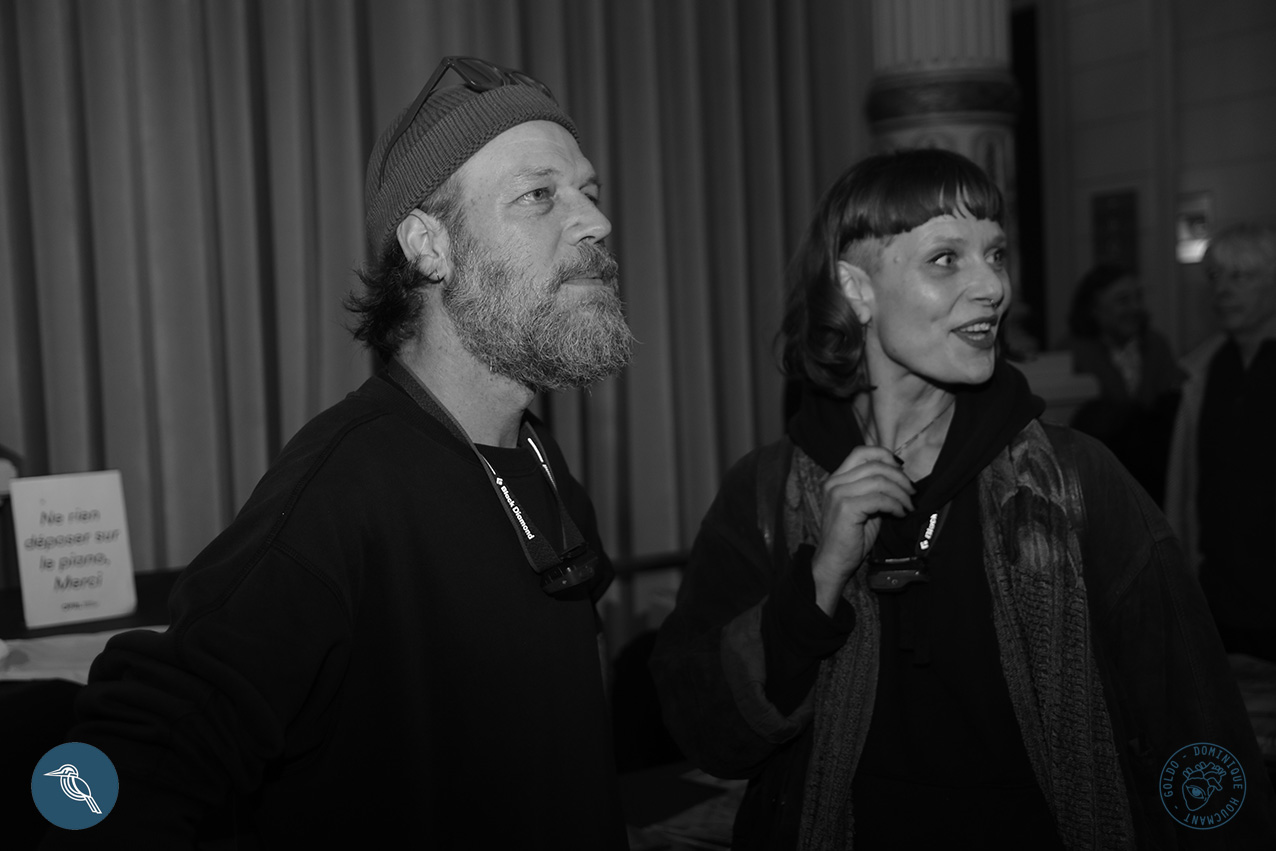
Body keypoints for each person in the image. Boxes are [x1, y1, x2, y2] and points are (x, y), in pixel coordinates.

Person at [41, 56, 632, 848]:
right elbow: (131, 755)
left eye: (589, 191)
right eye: (539, 195)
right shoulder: (340, 492)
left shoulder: (544, 465)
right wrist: (67, 810)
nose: (594, 221)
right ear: (429, 245)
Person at [649, 149, 1276, 849]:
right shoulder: (769, 493)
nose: (993, 287)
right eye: (946, 259)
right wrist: (818, 581)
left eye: (996, 254)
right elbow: (704, 729)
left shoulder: (1075, 480)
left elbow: (1195, 724)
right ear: (856, 289)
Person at [1166, 223, 1276, 664]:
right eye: (1215, 277)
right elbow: (1192, 490)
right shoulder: (1205, 370)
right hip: (1219, 597)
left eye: (1240, 276)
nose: (1223, 291)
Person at [1066, 264, 1184, 505]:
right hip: (1100, 487)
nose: (1135, 308)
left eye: (1138, 298)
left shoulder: (1156, 344)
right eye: (1123, 300)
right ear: (1094, 309)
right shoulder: (1071, 353)